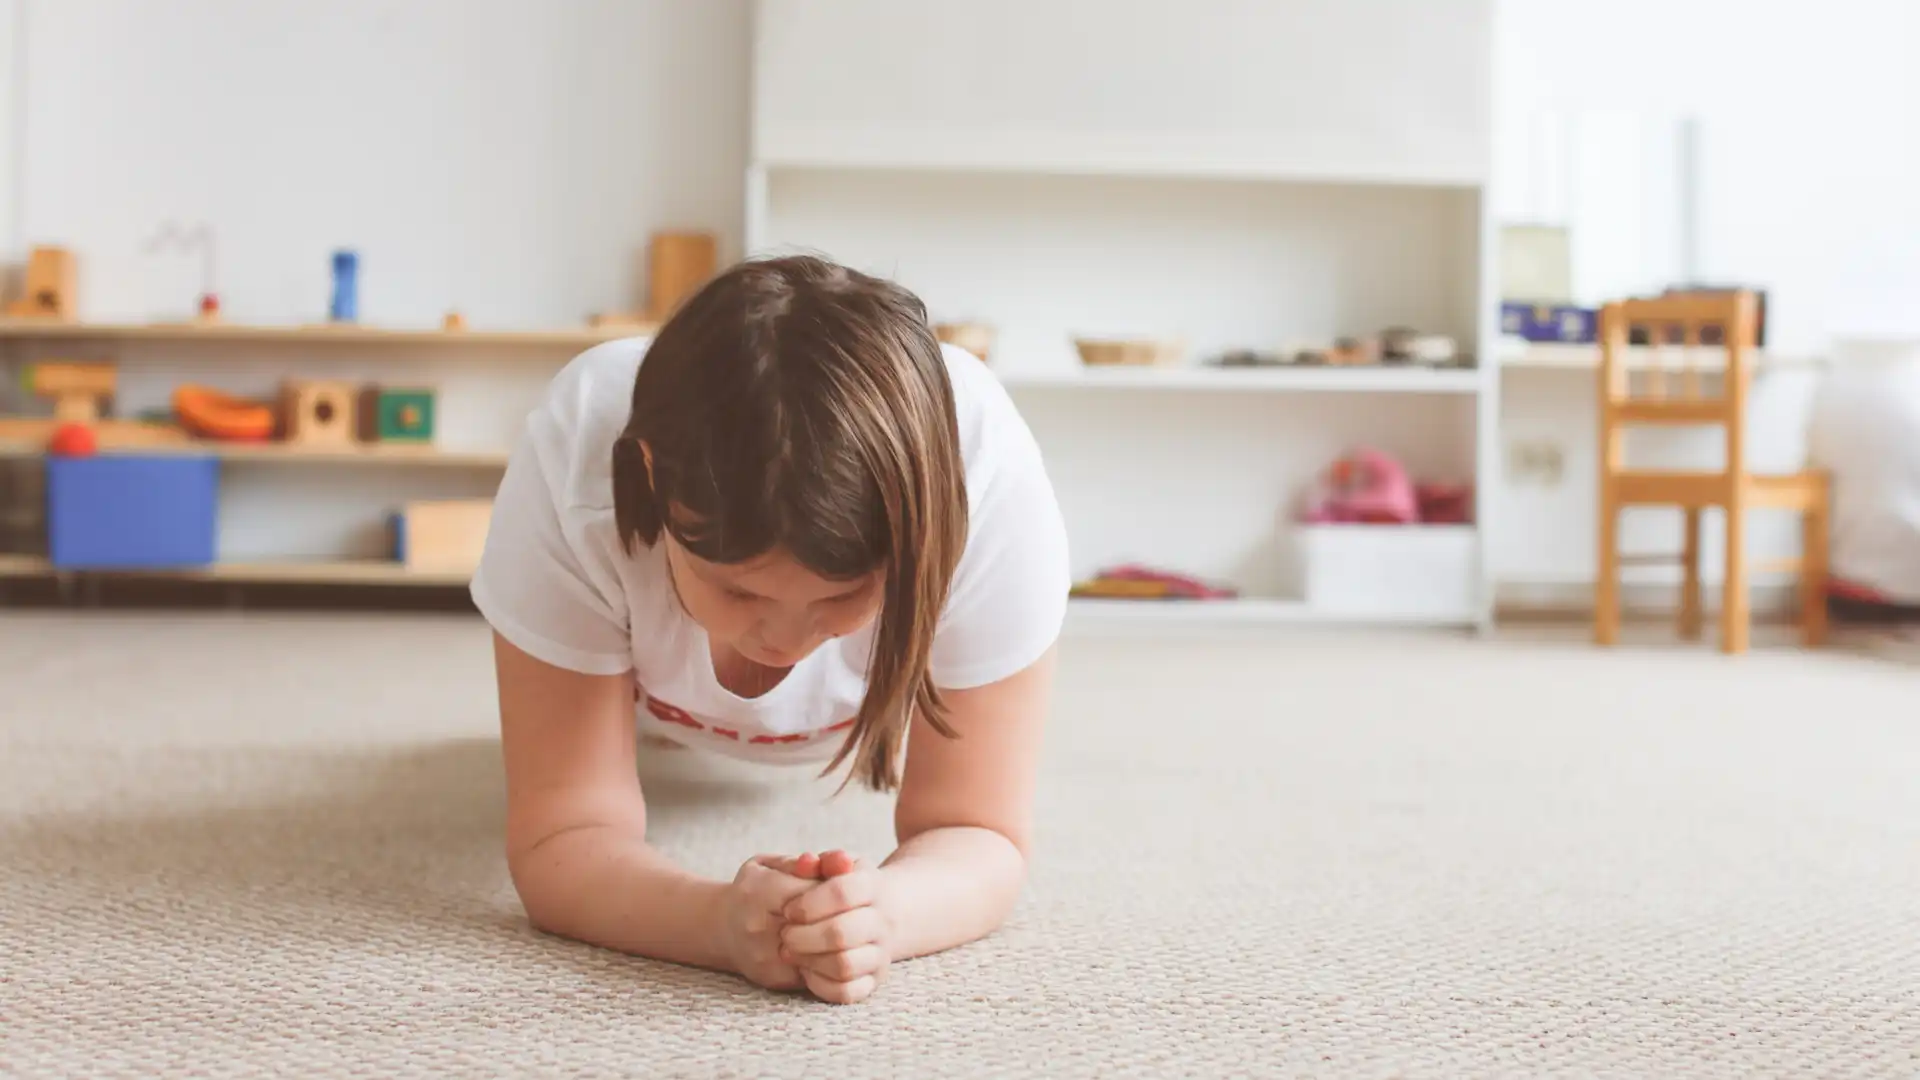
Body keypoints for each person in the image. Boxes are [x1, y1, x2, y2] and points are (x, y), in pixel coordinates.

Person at [469, 254, 1070, 1004]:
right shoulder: (580, 451)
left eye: (842, 595)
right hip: (652, 708)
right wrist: (714, 923)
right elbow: (561, 839)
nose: (782, 639)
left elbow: (980, 830)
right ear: (651, 478)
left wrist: (887, 913)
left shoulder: (987, 482)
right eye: (738, 591)